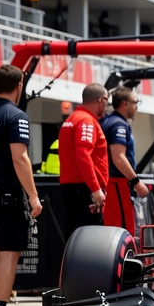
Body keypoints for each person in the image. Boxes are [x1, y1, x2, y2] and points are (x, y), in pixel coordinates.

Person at [0, 64, 44, 306]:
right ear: (19, 86)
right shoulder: (16, 116)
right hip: (5, 193)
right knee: (9, 253)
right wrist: (33, 196)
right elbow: (20, 157)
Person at [57, 83, 109, 240]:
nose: (107, 105)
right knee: (91, 239)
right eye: (107, 100)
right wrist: (95, 189)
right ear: (101, 99)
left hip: (72, 188)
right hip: (84, 189)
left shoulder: (72, 119)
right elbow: (83, 155)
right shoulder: (86, 121)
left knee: (75, 235)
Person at [100, 87, 149, 234]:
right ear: (125, 103)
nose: (136, 107)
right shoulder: (118, 125)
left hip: (111, 182)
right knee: (121, 229)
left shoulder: (108, 121)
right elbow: (118, 157)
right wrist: (136, 182)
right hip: (116, 183)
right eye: (135, 102)